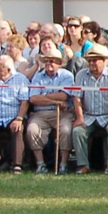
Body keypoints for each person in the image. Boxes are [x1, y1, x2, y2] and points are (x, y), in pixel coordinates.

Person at [71, 44, 108, 174]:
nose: (91, 63)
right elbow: (77, 98)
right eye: (89, 60)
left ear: (104, 61)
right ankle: (83, 165)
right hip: (89, 115)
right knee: (77, 131)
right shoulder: (81, 75)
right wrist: (80, 118)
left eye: (95, 60)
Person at [24, 44, 77, 173]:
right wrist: (54, 100)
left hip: (63, 113)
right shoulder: (38, 76)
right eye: (46, 61)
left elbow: (64, 96)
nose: (49, 63)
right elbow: (33, 99)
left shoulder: (67, 76)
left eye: (52, 61)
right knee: (32, 129)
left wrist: (44, 96)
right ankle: (40, 163)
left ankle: (63, 164)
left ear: (59, 63)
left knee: (65, 130)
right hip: (40, 113)